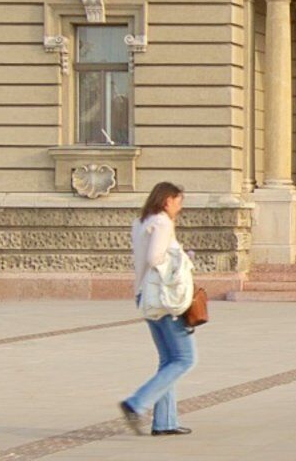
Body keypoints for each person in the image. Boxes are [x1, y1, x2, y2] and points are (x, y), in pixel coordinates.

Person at [121, 182, 199, 437]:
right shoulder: (163, 222)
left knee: (168, 360)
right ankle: (137, 403)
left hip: (145, 296)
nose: (180, 206)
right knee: (185, 358)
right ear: (167, 200)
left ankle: (164, 421)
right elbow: (156, 257)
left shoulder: (141, 222)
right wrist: (181, 260)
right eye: (178, 201)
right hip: (163, 300)